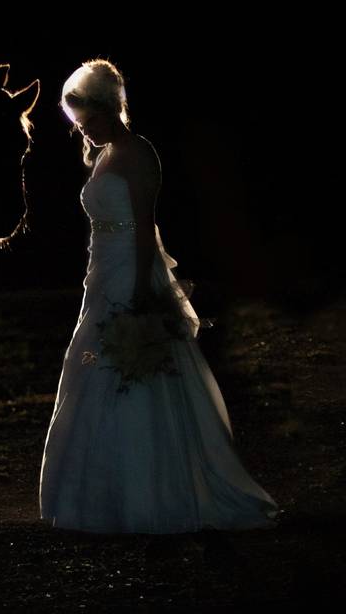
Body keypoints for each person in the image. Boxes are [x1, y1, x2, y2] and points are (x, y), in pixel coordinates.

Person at [39, 59, 279, 534]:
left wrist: (136, 291)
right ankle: (97, 491)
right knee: (91, 366)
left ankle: (153, 488)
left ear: (109, 110)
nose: (83, 133)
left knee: (138, 367)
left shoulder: (138, 154)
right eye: (78, 124)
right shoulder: (103, 156)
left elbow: (145, 229)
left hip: (131, 267)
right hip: (101, 269)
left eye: (87, 122)